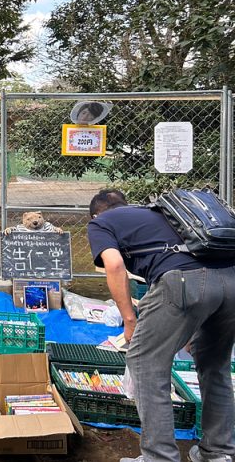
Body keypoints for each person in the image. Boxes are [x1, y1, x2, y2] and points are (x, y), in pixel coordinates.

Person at [86, 190, 235, 462]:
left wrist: (129, 319)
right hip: (230, 280)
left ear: (96, 214)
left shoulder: (101, 224)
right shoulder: (157, 213)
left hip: (183, 282)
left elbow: (115, 265)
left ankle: (159, 457)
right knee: (216, 366)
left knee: (145, 362)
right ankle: (219, 452)